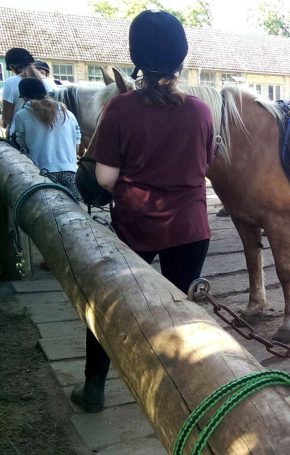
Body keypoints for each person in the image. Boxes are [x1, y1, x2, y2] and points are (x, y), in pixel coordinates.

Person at [70, 10, 215, 413]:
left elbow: (104, 177)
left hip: (136, 226)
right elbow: (203, 167)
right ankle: (183, 398)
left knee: (108, 306)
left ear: (137, 59)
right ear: (180, 58)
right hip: (190, 229)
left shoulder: (120, 109)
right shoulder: (201, 111)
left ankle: (94, 387)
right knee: (183, 314)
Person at [14, 77, 81, 199]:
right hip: (70, 170)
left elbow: (23, 145)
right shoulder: (68, 114)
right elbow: (77, 144)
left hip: (42, 171)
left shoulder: (22, 115)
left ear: (25, 97)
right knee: (72, 205)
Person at [2, 48, 57, 142]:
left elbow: (7, 118)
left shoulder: (10, 82)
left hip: (20, 136)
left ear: (12, 67)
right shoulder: (50, 82)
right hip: (49, 134)